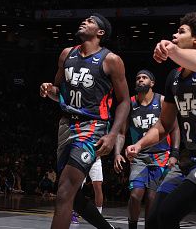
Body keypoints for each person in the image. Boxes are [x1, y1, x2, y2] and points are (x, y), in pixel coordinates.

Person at [126, 12, 196, 228]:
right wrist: (139, 143)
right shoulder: (173, 77)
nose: (174, 34)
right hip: (186, 160)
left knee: (168, 213)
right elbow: (164, 124)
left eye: (181, 31)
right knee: (154, 221)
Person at [40, 14, 130, 229]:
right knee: (72, 195)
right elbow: (59, 92)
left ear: (100, 33)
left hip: (92, 127)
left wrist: (112, 134)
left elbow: (125, 101)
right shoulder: (66, 54)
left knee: (64, 192)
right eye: (85, 20)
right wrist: (48, 90)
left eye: (91, 21)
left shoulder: (111, 60)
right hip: (65, 126)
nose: (84, 22)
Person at [113, 69, 180, 229]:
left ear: (152, 83)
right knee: (136, 195)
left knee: (152, 197)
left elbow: (175, 128)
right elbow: (121, 133)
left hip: (161, 155)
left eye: (144, 78)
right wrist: (116, 153)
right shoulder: (130, 104)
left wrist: (174, 153)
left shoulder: (162, 101)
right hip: (139, 156)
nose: (140, 80)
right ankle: (132, 226)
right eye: (137, 78)